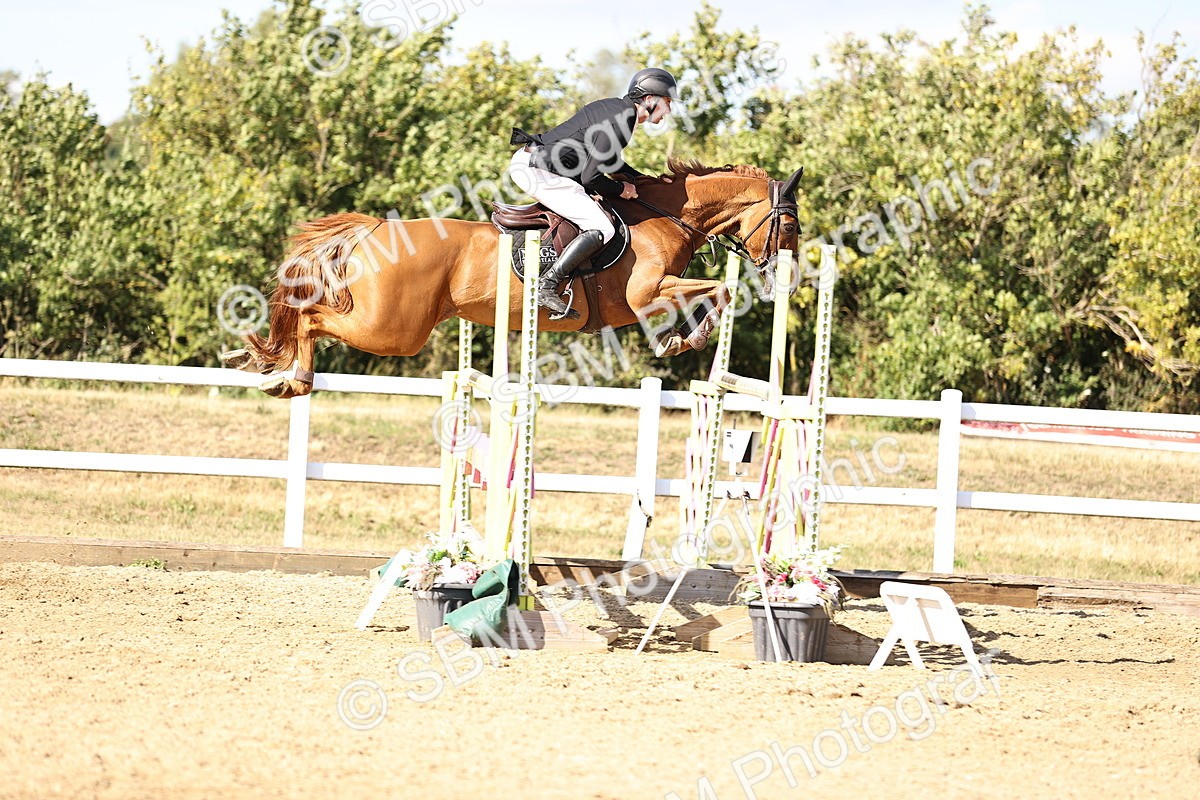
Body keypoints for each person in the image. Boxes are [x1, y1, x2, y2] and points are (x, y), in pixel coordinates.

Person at [507, 68, 678, 317]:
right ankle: (548, 284)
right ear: (650, 100)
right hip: (539, 171)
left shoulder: (617, 110)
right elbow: (591, 177)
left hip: (540, 165)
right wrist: (621, 189)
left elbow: (609, 163)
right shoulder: (622, 119)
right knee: (603, 227)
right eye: (667, 102)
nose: (669, 111)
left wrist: (643, 181)